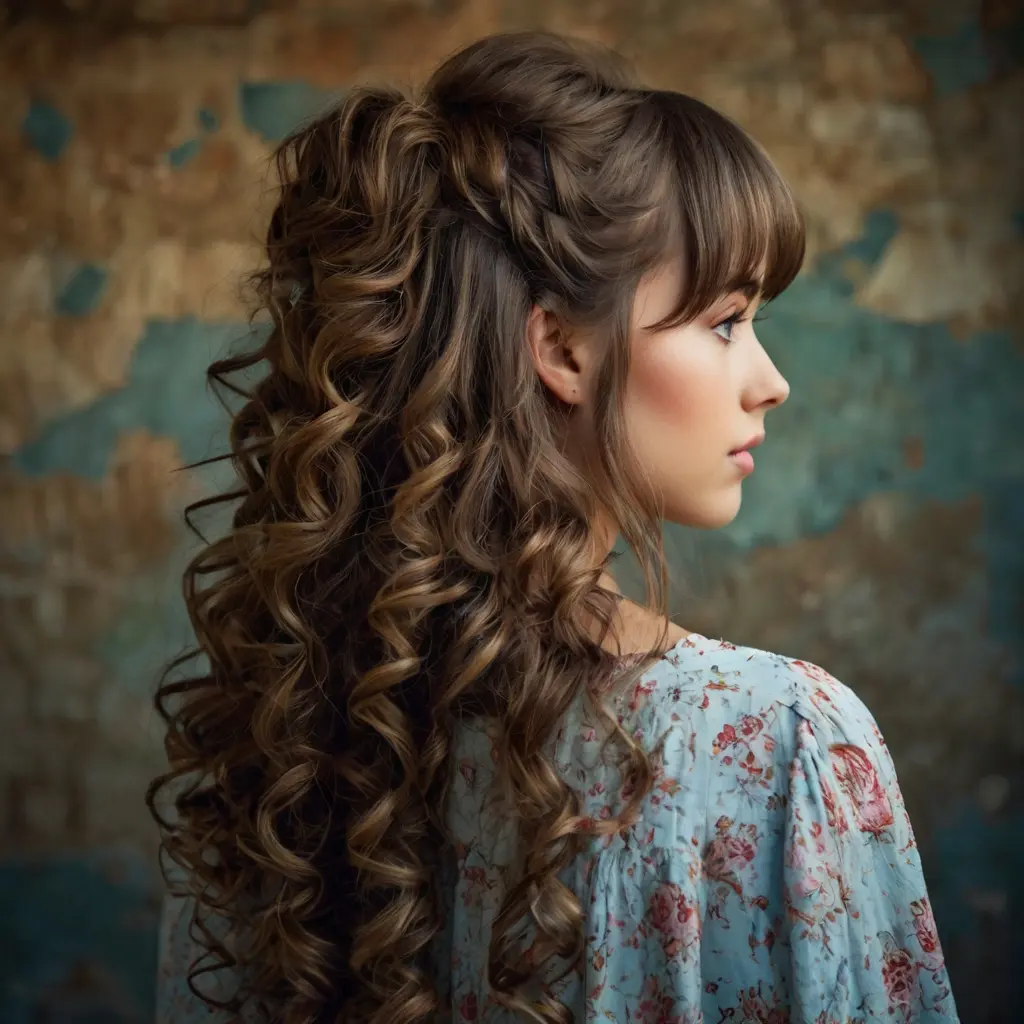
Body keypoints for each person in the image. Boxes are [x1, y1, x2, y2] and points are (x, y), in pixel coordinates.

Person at [149, 29, 958, 1024]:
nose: (770, 381)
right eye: (724, 321)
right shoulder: (778, 744)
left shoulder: (280, 750)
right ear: (563, 349)